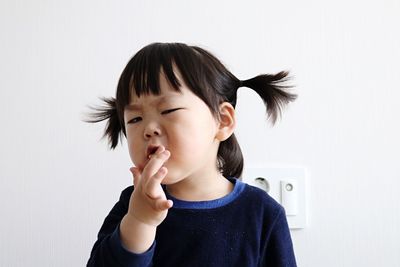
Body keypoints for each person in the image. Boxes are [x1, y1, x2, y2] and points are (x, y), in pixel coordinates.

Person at [84, 42, 298, 267]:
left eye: (168, 110)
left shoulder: (262, 213)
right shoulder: (133, 205)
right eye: (135, 119)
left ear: (223, 121)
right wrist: (140, 222)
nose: (148, 129)